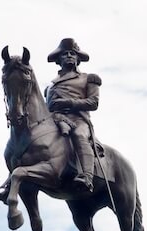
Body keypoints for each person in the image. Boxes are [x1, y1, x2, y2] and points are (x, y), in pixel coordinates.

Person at [44, 38, 101, 193]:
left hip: (79, 121)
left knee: (78, 135)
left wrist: (68, 103)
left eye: (72, 53)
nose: (69, 56)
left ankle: (87, 176)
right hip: (56, 121)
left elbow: (93, 103)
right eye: (65, 54)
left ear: (78, 59)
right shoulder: (50, 86)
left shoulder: (89, 78)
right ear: (58, 60)